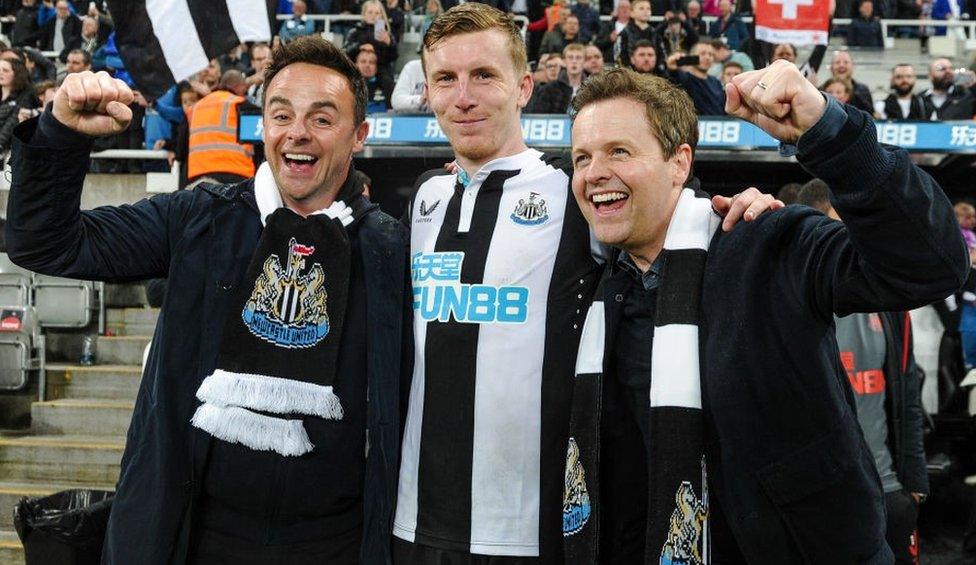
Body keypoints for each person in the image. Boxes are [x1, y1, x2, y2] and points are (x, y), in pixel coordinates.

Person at [5, 36, 408, 565]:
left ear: (359, 135)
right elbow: (46, 242)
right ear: (263, 126)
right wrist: (59, 136)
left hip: (338, 544)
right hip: (192, 539)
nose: (297, 134)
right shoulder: (198, 217)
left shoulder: (392, 250)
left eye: (322, 119)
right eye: (281, 114)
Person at [394, 5, 776, 563]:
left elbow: (669, 220)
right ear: (426, 91)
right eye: (445, 79)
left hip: (537, 529)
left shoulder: (573, 191)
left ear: (524, 86)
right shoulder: (425, 196)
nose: (464, 96)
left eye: (484, 75)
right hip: (411, 521)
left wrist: (746, 211)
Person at [564, 61, 967, 564]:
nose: (593, 172)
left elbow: (931, 263)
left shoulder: (767, 240)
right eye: (581, 158)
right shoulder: (595, 289)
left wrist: (831, 132)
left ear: (679, 163)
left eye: (618, 151)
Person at [796, 179, 929, 565]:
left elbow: (905, 397)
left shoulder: (889, 301)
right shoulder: (787, 301)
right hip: (821, 496)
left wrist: (913, 482)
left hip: (888, 489)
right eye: (843, 221)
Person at [186, 70, 258, 185]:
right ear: (239, 87)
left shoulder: (195, 108)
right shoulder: (244, 106)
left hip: (198, 176)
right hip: (236, 174)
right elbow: (258, 146)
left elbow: (181, 148)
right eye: (244, 91)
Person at [666, 42, 725, 115]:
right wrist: (672, 68)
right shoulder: (684, 78)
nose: (707, 57)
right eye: (702, 53)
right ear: (692, 57)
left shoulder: (716, 82)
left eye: (711, 54)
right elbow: (673, 75)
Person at [527, 43, 587, 114]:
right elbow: (540, 115)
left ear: (584, 61)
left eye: (578, 58)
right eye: (570, 57)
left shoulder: (591, 88)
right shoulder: (549, 89)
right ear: (564, 62)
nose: (574, 61)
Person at [344, 0, 397, 73]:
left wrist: (389, 43)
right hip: (357, 70)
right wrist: (360, 47)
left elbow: (393, 57)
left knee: (386, 79)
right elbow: (345, 53)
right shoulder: (354, 32)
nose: (373, 15)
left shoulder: (386, 34)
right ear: (364, 14)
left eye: (377, 13)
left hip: (381, 71)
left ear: (381, 15)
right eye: (370, 12)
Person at [619, 0, 666, 71]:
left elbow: (661, 55)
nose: (646, 11)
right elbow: (619, 57)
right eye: (641, 8)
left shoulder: (655, 33)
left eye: (648, 9)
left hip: (653, 75)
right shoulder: (625, 33)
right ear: (632, 13)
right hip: (630, 75)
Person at [829, 50, 874, 114]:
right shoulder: (822, 89)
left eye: (846, 62)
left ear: (853, 67)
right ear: (831, 67)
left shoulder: (863, 90)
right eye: (837, 62)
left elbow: (869, 115)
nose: (841, 65)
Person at [357, 46, 394, 113]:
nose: (367, 65)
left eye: (371, 62)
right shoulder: (348, 86)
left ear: (376, 68)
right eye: (363, 61)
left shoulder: (387, 86)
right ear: (356, 65)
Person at [244, 42, 272, 106]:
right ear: (253, 63)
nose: (263, 62)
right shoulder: (246, 76)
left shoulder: (278, 79)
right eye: (259, 59)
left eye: (265, 58)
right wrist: (249, 82)